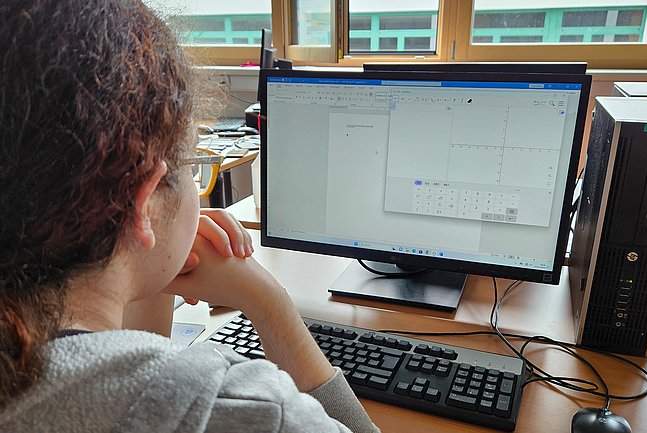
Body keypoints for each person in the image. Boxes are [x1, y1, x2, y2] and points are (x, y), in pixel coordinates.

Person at [0, 1, 380, 432]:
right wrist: (268, 301)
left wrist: (145, 256)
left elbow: (124, 363)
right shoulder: (244, 409)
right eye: (192, 161)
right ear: (144, 202)